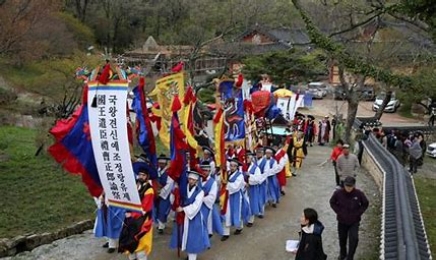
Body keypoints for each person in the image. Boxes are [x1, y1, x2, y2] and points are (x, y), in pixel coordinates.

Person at [170, 170, 210, 260]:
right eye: (190, 179)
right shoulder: (183, 188)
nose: (191, 181)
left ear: (196, 181)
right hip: (183, 217)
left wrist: (183, 209)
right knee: (185, 236)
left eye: (193, 180)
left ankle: (192, 257)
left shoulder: (200, 192)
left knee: (193, 238)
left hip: (194, 217)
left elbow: (196, 206)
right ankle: (189, 255)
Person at [119, 167, 154, 260]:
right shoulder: (135, 186)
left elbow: (145, 208)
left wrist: (132, 214)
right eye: (140, 175)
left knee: (140, 250)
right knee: (130, 247)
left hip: (143, 222)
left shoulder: (149, 190)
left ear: (147, 177)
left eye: (143, 175)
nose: (141, 177)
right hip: (130, 220)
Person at [329, 177, 369, 260]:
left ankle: (350, 256)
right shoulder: (338, 193)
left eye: (350, 186)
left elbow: (365, 204)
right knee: (342, 239)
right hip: (342, 220)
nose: (348, 188)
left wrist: (358, 213)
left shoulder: (359, 194)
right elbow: (332, 202)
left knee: (354, 239)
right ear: (344, 185)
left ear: (353, 186)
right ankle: (343, 254)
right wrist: (339, 211)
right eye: (347, 186)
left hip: (354, 221)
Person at [221, 159, 250, 241]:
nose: (232, 167)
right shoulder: (227, 173)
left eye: (234, 166)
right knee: (226, 213)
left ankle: (239, 227)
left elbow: (235, 187)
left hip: (236, 196)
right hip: (226, 197)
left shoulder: (240, 176)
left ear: (237, 167)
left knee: (237, 212)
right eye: (231, 165)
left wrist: (226, 183)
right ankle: (225, 233)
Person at [199, 161, 223, 238]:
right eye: (203, 170)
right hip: (198, 204)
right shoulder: (198, 180)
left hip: (207, 204)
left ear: (209, 171)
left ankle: (208, 233)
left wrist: (201, 199)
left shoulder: (213, 182)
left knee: (208, 219)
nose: (204, 172)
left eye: (206, 170)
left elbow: (212, 197)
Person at [154, 154, 173, 234]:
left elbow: (169, 184)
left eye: (162, 163)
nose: (161, 165)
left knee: (163, 209)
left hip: (165, 193)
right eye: (160, 163)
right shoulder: (157, 170)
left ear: (165, 163)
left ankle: (161, 226)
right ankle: (159, 224)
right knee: (157, 209)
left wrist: (161, 193)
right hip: (156, 192)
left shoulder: (169, 172)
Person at [246, 152, 266, 226]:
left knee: (251, 203)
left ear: (252, 159)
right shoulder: (243, 166)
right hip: (244, 187)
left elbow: (257, 179)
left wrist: (250, 176)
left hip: (252, 188)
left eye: (248, 157)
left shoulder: (256, 168)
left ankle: (250, 220)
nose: (246, 159)